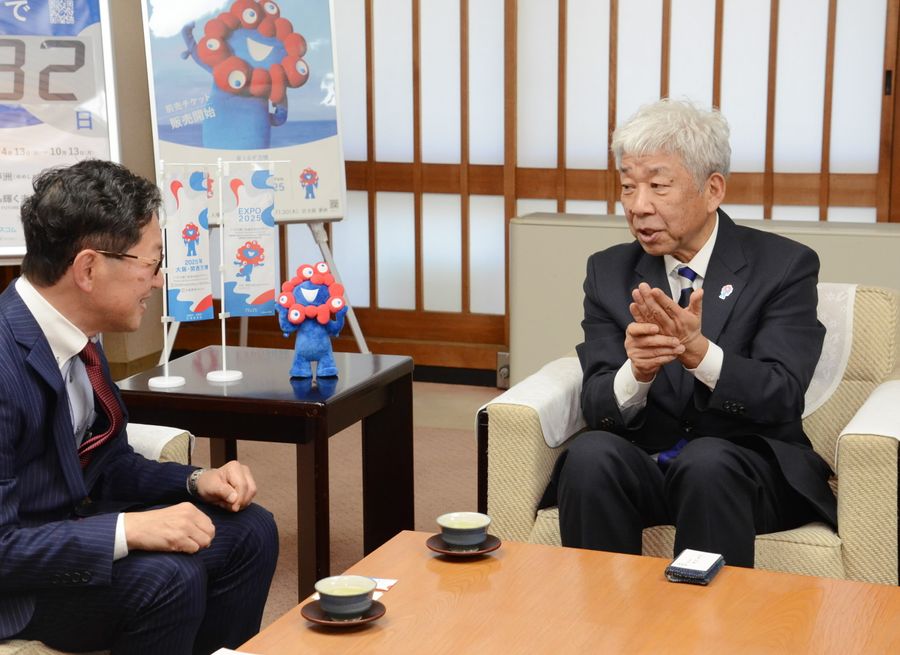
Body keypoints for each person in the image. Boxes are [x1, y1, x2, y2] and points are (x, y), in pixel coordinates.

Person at [0, 160, 278, 654]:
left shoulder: (79, 334)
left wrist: (196, 482)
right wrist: (129, 529)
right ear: (89, 268)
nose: (157, 281)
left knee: (248, 529)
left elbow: (107, 464)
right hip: (17, 585)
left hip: (70, 529)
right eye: (150, 263)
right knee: (168, 577)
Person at [543, 99, 836, 568]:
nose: (639, 206)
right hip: (650, 464)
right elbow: (598, 404)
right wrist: (635, 374)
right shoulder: (608, 273)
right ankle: (599, 627)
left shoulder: (784, 267)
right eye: (628, 186)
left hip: (743, 474)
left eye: (658, 186)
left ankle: (706, 634)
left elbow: (783, 394)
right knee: (591, 455)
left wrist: (700, 354)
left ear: (713, 189)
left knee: (706, 463)